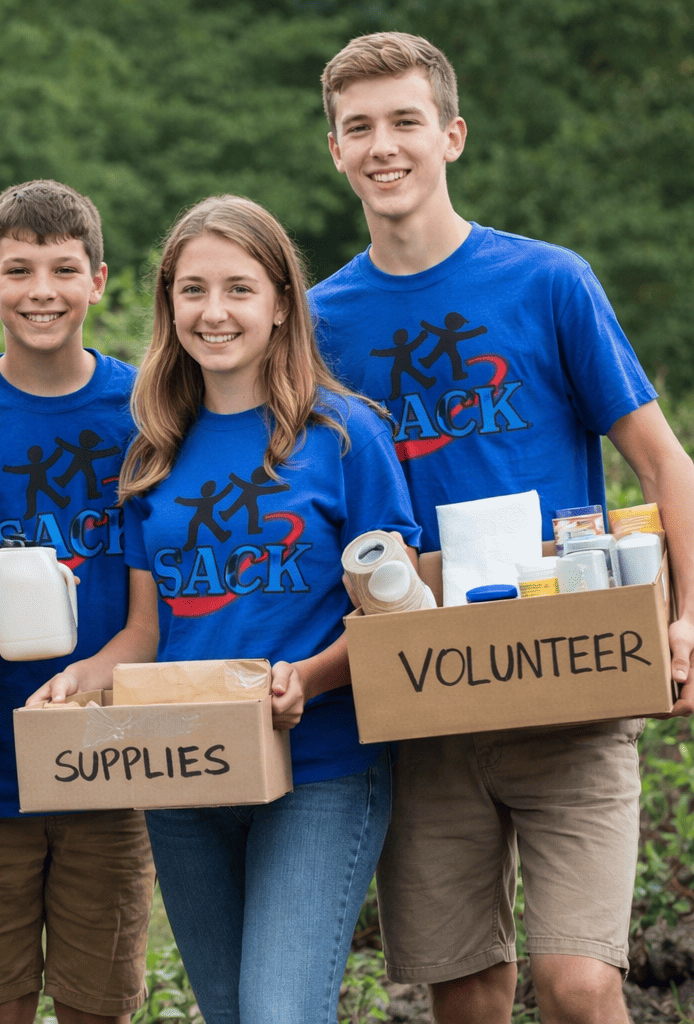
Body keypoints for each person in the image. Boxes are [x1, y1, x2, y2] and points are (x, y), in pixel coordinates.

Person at [311, 32, 694, 1023]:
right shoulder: (320, 325)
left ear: (452, 135)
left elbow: (665, 462)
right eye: (361, 128)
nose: (383, 144)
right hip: (423, 704)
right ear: (335, 151)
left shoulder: (548, 282)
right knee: (469, 995)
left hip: (569, 680)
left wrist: (688, 619)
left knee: (577, 984)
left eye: (404, 121)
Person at [110, 195, 420, 1023]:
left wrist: (310, 680)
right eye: (193, 290)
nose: (214, 313)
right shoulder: (152, 449)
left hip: (319, 764)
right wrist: (78, 681)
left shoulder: (348, 435)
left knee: (279, 1012)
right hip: (184, 768)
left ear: (283, 302)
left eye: (239, 289)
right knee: (228, 1012)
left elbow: (396, 616)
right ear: (168, 303)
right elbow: (146, 628)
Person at [0, 181, 155, 1024]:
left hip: (113, 761)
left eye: (63, 269)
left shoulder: (148, 411)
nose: (41, 291)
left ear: (99, 279)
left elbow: (157, 594)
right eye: (18, 270)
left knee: (99, 1004)